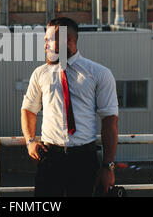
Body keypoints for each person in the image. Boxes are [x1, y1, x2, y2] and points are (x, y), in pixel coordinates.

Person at [20, 17, 119, 197]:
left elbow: (110, 121)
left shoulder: (99, 74)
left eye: (49, 40)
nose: (45, 45)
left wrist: (108, 166)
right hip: (50, 158)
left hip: (84, 160)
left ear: (68, 40)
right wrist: (30, 141)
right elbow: (28, 109)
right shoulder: (40, 73)